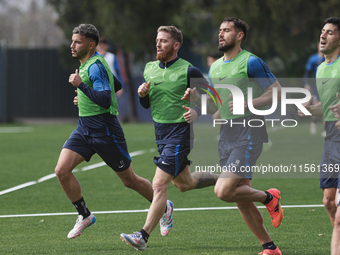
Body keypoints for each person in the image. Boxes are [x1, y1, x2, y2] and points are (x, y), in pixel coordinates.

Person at [183, 18, 283, 255]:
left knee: (223, 190)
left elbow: (277, 92)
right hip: (226, 134)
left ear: (239, 36)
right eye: (219, 30)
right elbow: (216, 103)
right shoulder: (215, 66)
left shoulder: (251, 61)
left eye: (226, 30)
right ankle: (270, 248)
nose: (221, 34)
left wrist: (248, 102)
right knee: (240, 198)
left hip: (249, 130)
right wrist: (197, 103)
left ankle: (270, 197)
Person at [120, 25, 219, 251]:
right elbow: (147, 103)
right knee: (185, 184)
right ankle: (225, 178)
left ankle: (142, 236)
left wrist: (197, 108)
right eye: (157, 40)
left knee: (158, 184)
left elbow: (213, 101)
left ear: (175, 46)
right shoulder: (149, 69)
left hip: (180, 133)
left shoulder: (189, 71)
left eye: (164, 41)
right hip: (161, 133)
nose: (158, 44)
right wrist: (143, 96)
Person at [54, 23, 154, 239]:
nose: (72, 45)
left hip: (104, 129)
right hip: (84, 128)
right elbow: (115, 84)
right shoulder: (88, 63)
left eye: (77, 42)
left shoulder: (94, 66)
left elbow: (106, 97)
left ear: (90, 46)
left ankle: (162, 207)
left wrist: (81, 87)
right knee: (62, 170)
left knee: (130, 181)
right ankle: (85, 215)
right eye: (72, 41)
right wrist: (84, 97)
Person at [298, 17, 340, 255]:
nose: (323, 36)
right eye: (322, 32)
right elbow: (324, 107)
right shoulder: (320, 68)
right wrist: (307, 109)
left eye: (331, 33)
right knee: (328, 202)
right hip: (331, 141)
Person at [304, 49, 325, 135]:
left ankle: (325, 129)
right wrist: (307, 84)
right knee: (316, 106)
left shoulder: (329, 58)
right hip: (316, 86)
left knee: (325, 107)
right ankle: (314, 123)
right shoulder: (313, 59)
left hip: (326, 86)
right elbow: (307, 72)